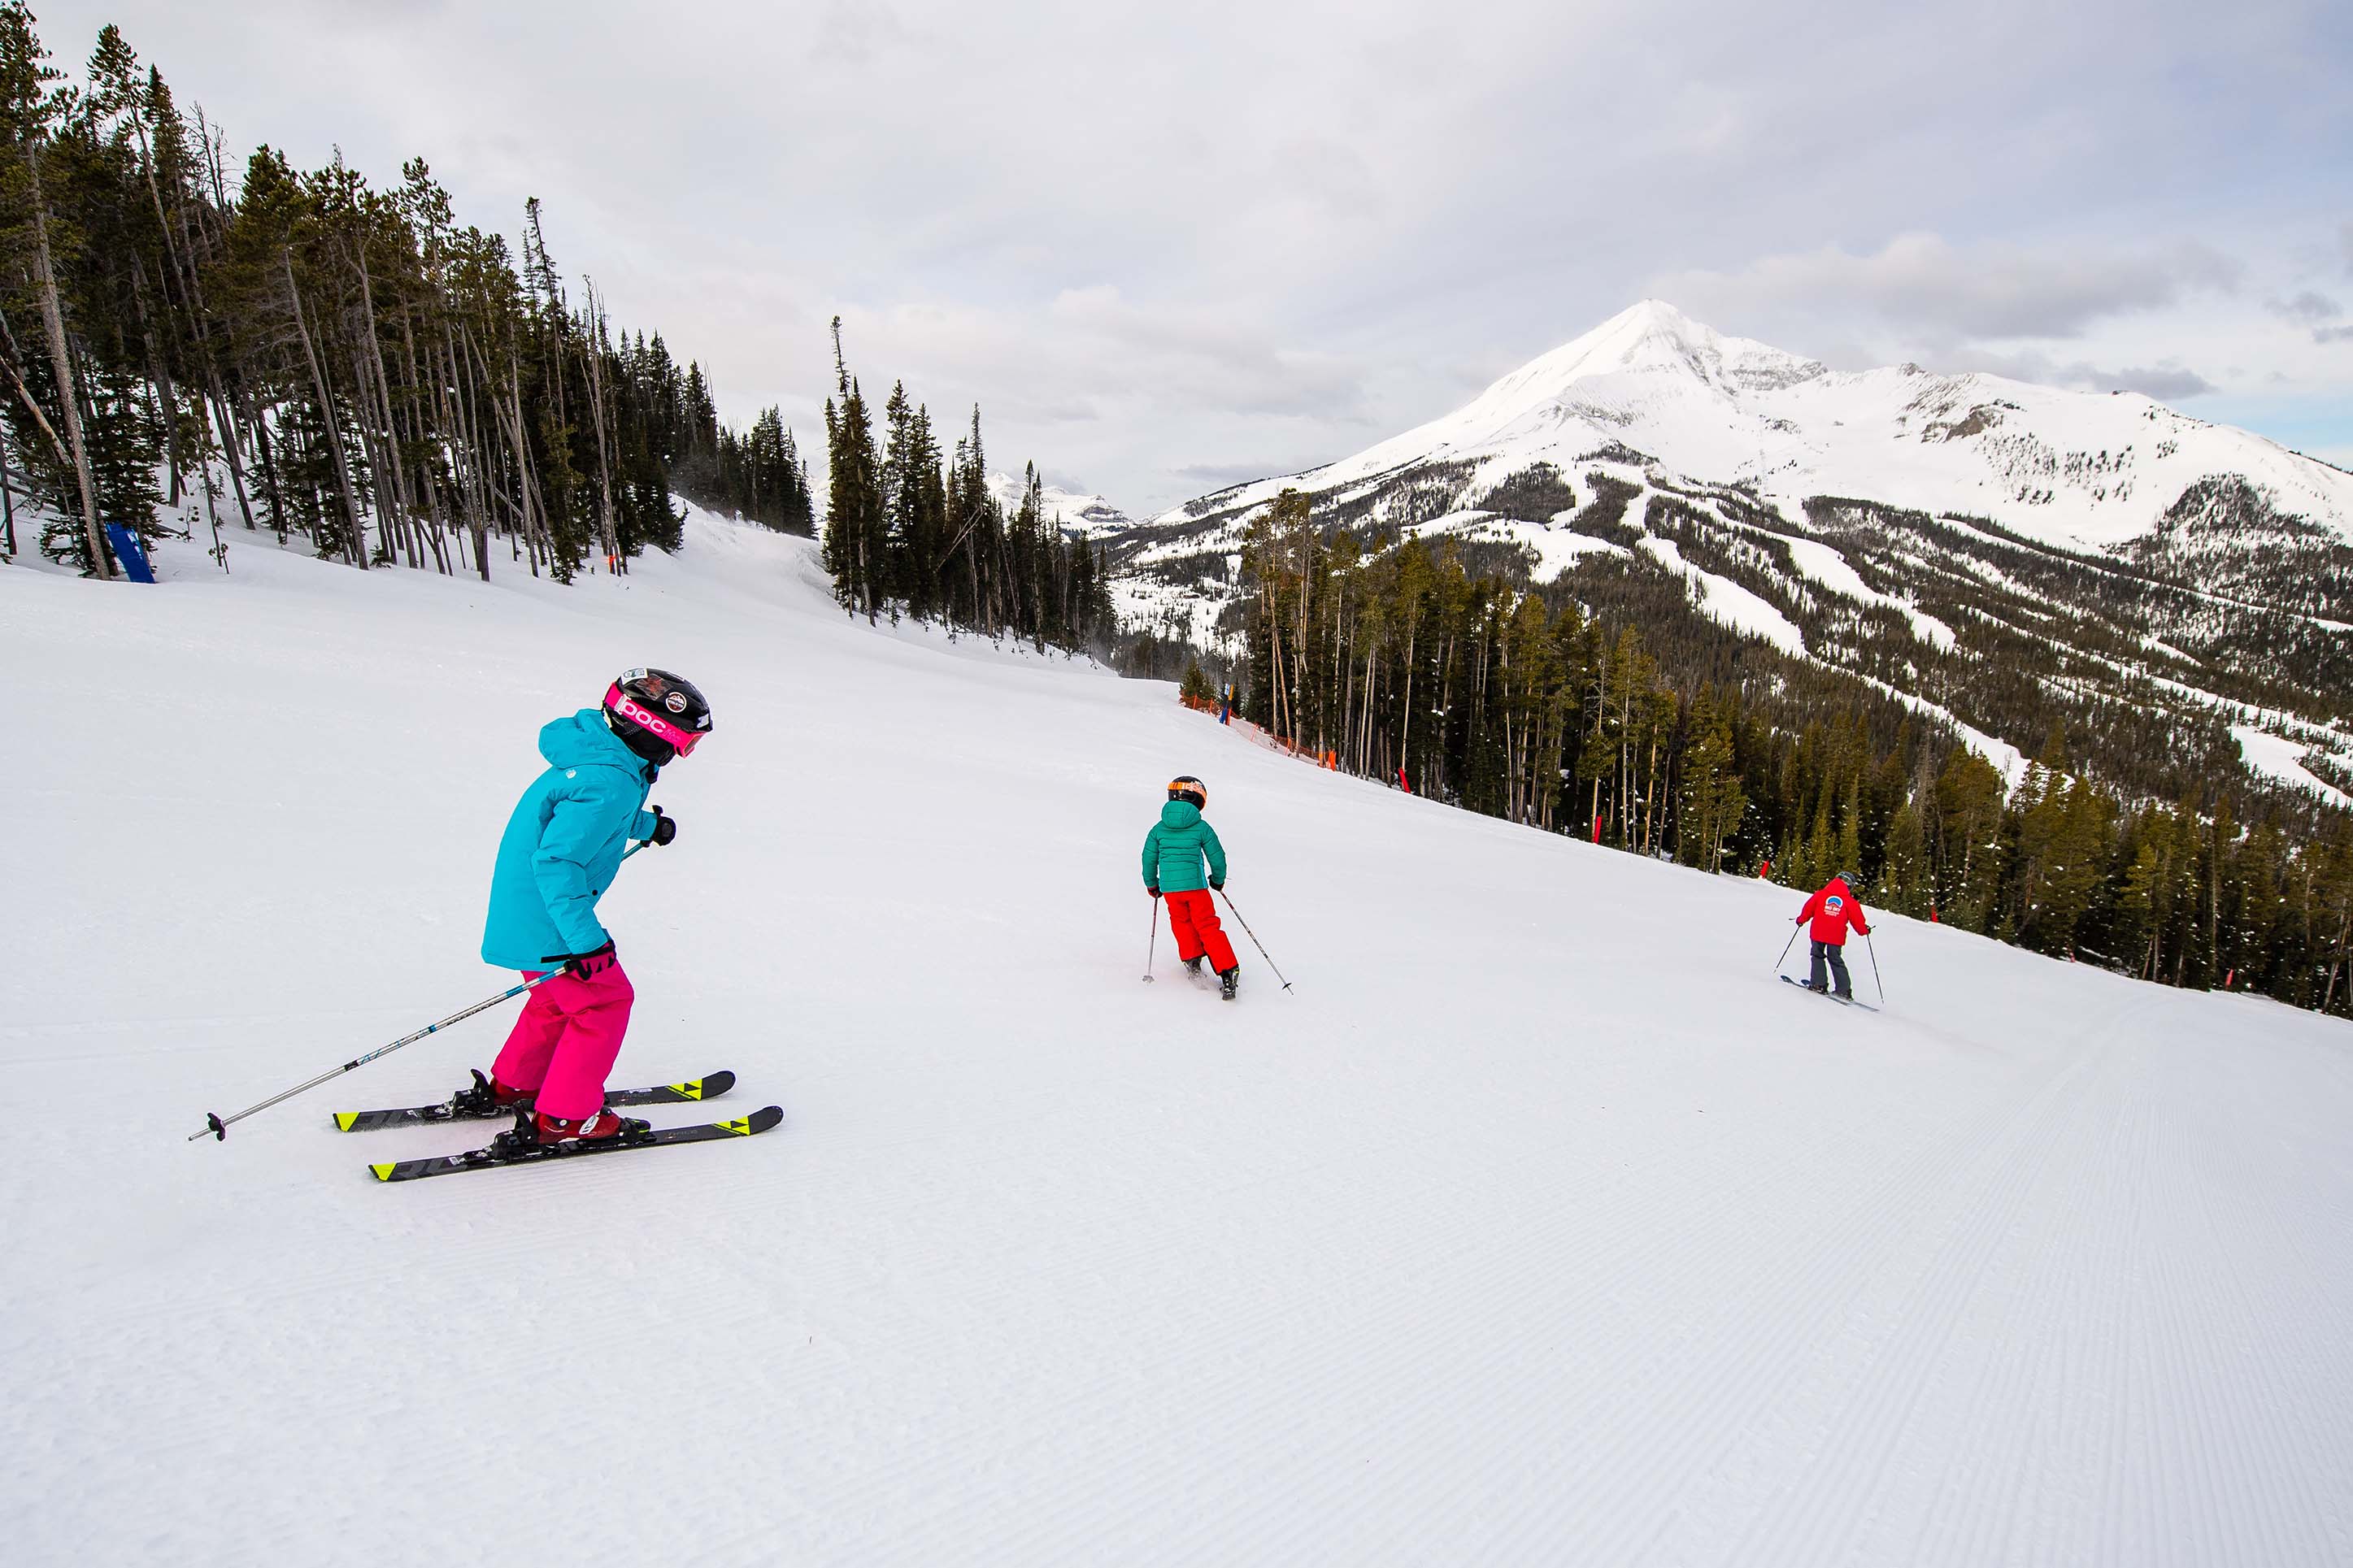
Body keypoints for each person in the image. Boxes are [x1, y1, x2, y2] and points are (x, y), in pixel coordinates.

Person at [459, 668, 713, 1144]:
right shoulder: (610, 781)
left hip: (529, 913)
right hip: (553, 921)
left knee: (556, 1003)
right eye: (685, 743)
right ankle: (568, 1116)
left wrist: (644, 826)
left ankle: (516, 1085)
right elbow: (558, 862)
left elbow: (586, 817)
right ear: (651, 732)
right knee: (605, 1002)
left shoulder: (597, 761)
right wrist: (587, 941)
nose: (685, 754)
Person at [1143, 775, 1241, 999]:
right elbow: (1217, 856)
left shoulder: (1158, 829)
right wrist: (1218, 879)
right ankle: (1227, 970)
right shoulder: (1201, 827)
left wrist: (1152, 884)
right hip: (1196, 888)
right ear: (1198, 800)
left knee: (1181, 923)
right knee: (1207, 925)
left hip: (1170, 891)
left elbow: (1148, 858)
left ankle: (1192, 961)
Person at [1794, 871, 1871, 1000]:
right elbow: (1857, 920)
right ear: (1849, 885)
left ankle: (1818, 984)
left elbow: (1808, 909)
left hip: (1818, 932)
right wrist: (1864, 930)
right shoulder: (1849, 902)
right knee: (1835, 960)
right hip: (1836, 936)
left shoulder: (1820, 895)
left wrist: (1801, 920)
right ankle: (1843, 990)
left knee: (1817, 955)